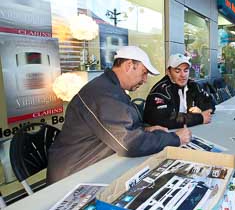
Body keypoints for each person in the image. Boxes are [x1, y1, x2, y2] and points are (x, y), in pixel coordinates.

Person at [47, 46, 191, 183]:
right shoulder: (103, 94)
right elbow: (130, 143)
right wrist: (175, 138)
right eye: (144, 73)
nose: (145, 79)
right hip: (72, 176)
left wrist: (144, 130)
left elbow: (117, 129)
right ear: (129, 65)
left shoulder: (110, 88)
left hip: (91, 166)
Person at [144, 53, 214, 129]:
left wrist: (201, 109)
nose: (183, 75)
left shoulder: (193, 85)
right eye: (177, 71)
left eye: (186, 70)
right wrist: (199, 118)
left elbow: (211, 103)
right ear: (168, 72)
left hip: (192, 131)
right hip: (166, 137)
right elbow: (164, 119)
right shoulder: (161, 90)